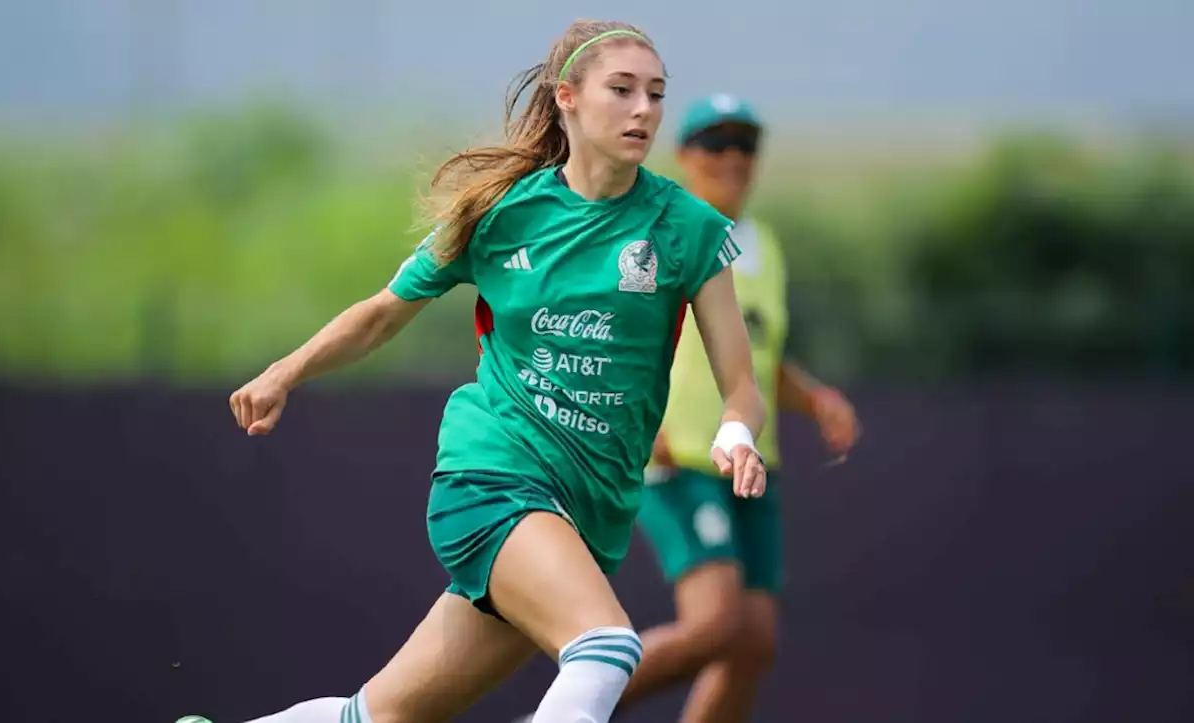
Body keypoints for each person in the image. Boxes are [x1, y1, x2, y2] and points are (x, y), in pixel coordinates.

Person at [178, 20, 770, 723]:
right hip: (494, 479)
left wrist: (737, 432)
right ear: (568, 98)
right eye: (622, 90)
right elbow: (380, 313)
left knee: (380, 715)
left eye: (656, 93)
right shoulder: (498, 213)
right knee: (607, 645)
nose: (644, 108)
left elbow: (742, 384)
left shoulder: (689, 229)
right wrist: (286, 371)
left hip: (588, 514)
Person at [614, 95, 861, 721]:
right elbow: (614, 333)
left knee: (752, 643)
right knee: (715, 624)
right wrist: (641, 420)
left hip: (749, 464)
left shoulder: (764, 247)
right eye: (716, 143)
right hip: (681, 456)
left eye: (745, 145)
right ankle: (564, 712)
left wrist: (816, 399)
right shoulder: (664, 231)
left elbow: (754, 357)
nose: (732, 158)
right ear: (684, 155)